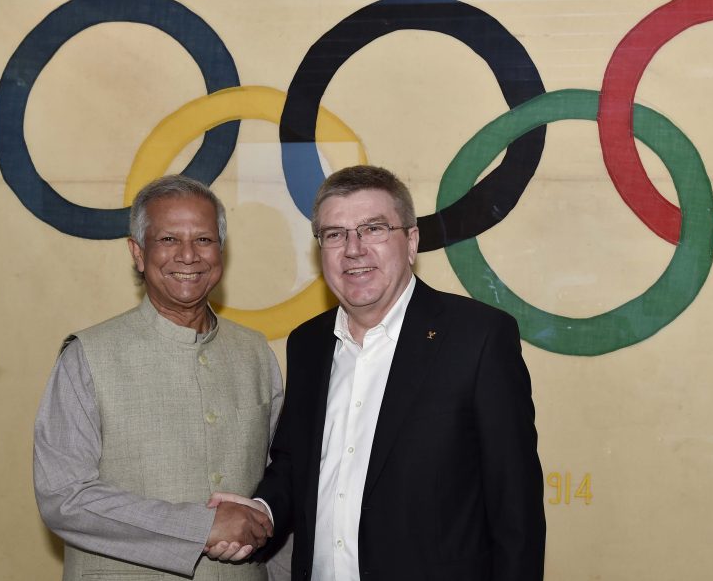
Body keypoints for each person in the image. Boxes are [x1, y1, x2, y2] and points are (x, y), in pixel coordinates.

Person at [209, 165, 545, 581]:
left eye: (373, 229)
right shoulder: (308, 344)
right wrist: (262, 510)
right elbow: (296, 464)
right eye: (335, 234)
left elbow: (516, 508)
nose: (353, 249)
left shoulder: (478, 337)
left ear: (411, 242)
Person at [34, 175, 291, 580]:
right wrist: (200, 527)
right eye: (169, 239)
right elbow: (64, 496)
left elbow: (280, 486)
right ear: (138, 253)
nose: (188, 256)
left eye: (204, 240)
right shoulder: (87, 356)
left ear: (221, 251)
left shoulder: (256, 353)